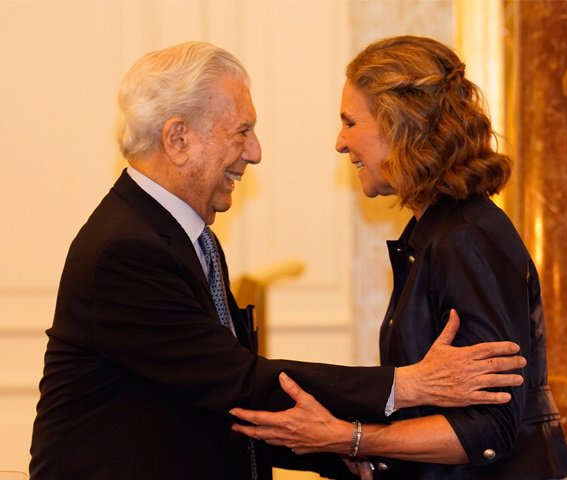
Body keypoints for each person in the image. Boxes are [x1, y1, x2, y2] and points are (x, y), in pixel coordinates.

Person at [28, 41, 527, 480]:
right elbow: (236, 384)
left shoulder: (183, 236)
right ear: (178, 139)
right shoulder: (126, 250)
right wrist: (405, 386)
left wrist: (340, 448)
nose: (256, 152)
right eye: (241, 131)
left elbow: (224, 396)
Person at [230, 35, 567, 479]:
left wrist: (348, 437)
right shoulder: (438, 231)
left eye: (350, 122)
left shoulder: (465, 238)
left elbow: (488, 430)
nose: (340, 143)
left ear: (401, 127)